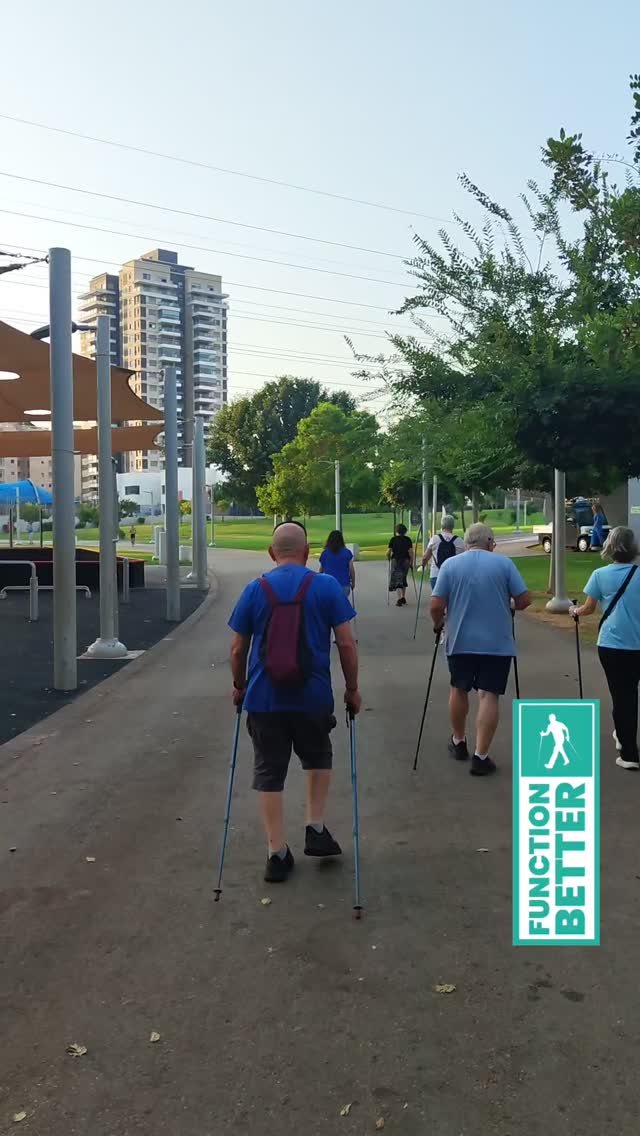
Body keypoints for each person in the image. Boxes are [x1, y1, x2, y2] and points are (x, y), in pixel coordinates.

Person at [228, 522, 361, 883]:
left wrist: (239, 686)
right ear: (307, 552)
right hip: (312, 696)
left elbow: (238, 648)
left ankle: (276, 852)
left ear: (272, 553)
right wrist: (352, 689)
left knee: (269, 771)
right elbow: (347, 644)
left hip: (264, 698)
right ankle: (315, 826)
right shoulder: (326, 587)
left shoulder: (255, 589)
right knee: (318, 756)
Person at [430, 522, 531, 776]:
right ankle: (481, 755)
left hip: (460, 641)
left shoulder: (450, 566)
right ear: (489, 542)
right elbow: (524, 600)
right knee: (489, 695)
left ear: (467, 542)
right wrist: (509, 604)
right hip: (497, 642)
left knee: (458, 689)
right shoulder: (504, 564)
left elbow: (435, 604)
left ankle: (458, 740)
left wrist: (438, 624)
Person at [570, 526, 640, 771]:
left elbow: (588, 608)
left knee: (622, 695)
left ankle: (628, 750)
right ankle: (623, 735)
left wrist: (574, 611)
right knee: (629, 693)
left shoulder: (600, 575)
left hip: (612, 644)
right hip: (637, 643)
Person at [422, 514, 465, 590]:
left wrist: (423, 566)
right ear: (453, 526)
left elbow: (425, 557)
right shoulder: (459, 541)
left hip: (436, 575)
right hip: (454, 576)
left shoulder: (434, 539)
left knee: (438, 600)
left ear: (442, 525)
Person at [319, 529, 355, 597]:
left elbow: (321, 570)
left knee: (330, 606)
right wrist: (353, 583)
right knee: (341, 605)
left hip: (328, 585)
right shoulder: (347, 552)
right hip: (344, 585)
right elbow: (351, 570)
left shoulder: (325, 553)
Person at [387, 523, 414, 607]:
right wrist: (411, 563)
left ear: (397, 531)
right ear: (405, 531)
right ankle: (403, 596)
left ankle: (399, 598)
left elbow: (388, 552)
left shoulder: (393, 539)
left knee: (397, 578)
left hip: (396, 560)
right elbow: (411, 552)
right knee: (403, 578)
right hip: (405, 561)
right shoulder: (408, 539)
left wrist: (389, 559)